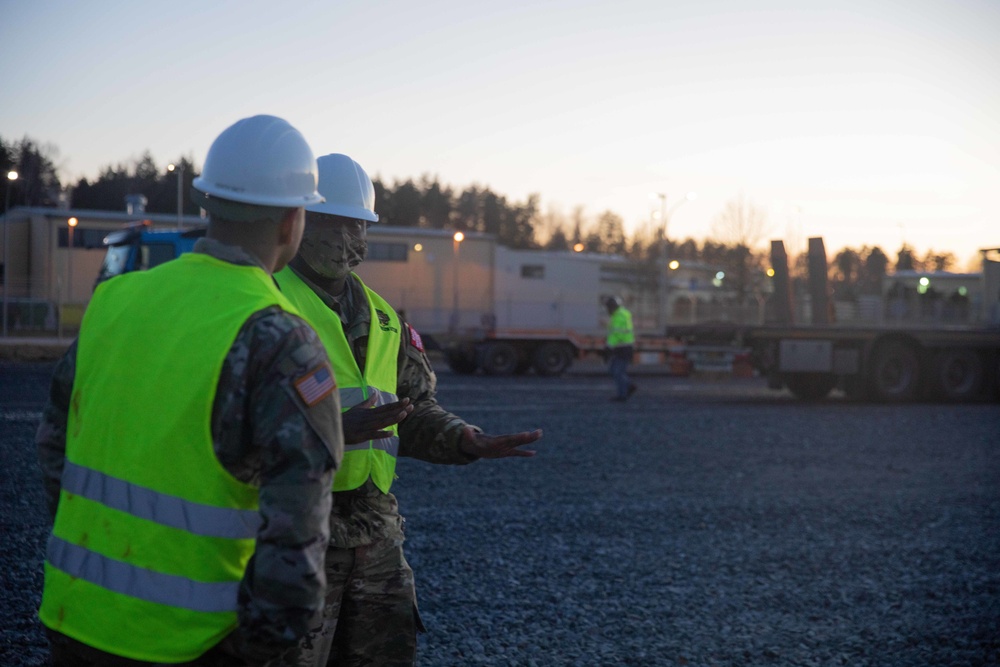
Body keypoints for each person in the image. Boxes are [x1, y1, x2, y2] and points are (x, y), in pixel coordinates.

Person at [35, 115, 357, 666]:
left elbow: (53, 450)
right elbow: (297, 536)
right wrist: (254, 648)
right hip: (192, 644)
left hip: (76, 619)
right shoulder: (278, 339)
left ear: (207, 204)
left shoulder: (115, 300)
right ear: (291, 222)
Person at [273, 153, 543, 666]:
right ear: (302, 222)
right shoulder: (263, 302)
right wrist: (332, 430)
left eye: (360, 224)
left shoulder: (383, 318)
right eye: (334, 222)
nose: (349, 236)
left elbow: (411, 410)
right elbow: (227, 423)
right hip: (294, 535)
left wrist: (463, 438)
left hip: (376, 537)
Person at [605, 295, 637, 401]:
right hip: (623, 347)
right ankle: (628, 386)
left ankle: (623, 395)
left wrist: (609, 347)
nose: (608, 309)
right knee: (615, 370)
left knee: (617, 371)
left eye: (609, 307)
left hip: (623, 348)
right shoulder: (620, 314)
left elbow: (617, 334)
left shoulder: (619, 316)